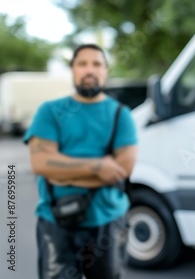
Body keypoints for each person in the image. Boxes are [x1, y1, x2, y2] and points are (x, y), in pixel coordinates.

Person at [24, 43, 138, 279]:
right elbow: (41, 164)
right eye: (82, 64)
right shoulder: (50, 111)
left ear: (105, 70)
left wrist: (62, 173)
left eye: (96, 64)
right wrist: (99, 166)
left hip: (108, 221)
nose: (89, 70)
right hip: (56, 220)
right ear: (73, 70)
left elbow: (123, 168)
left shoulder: (120, 114)